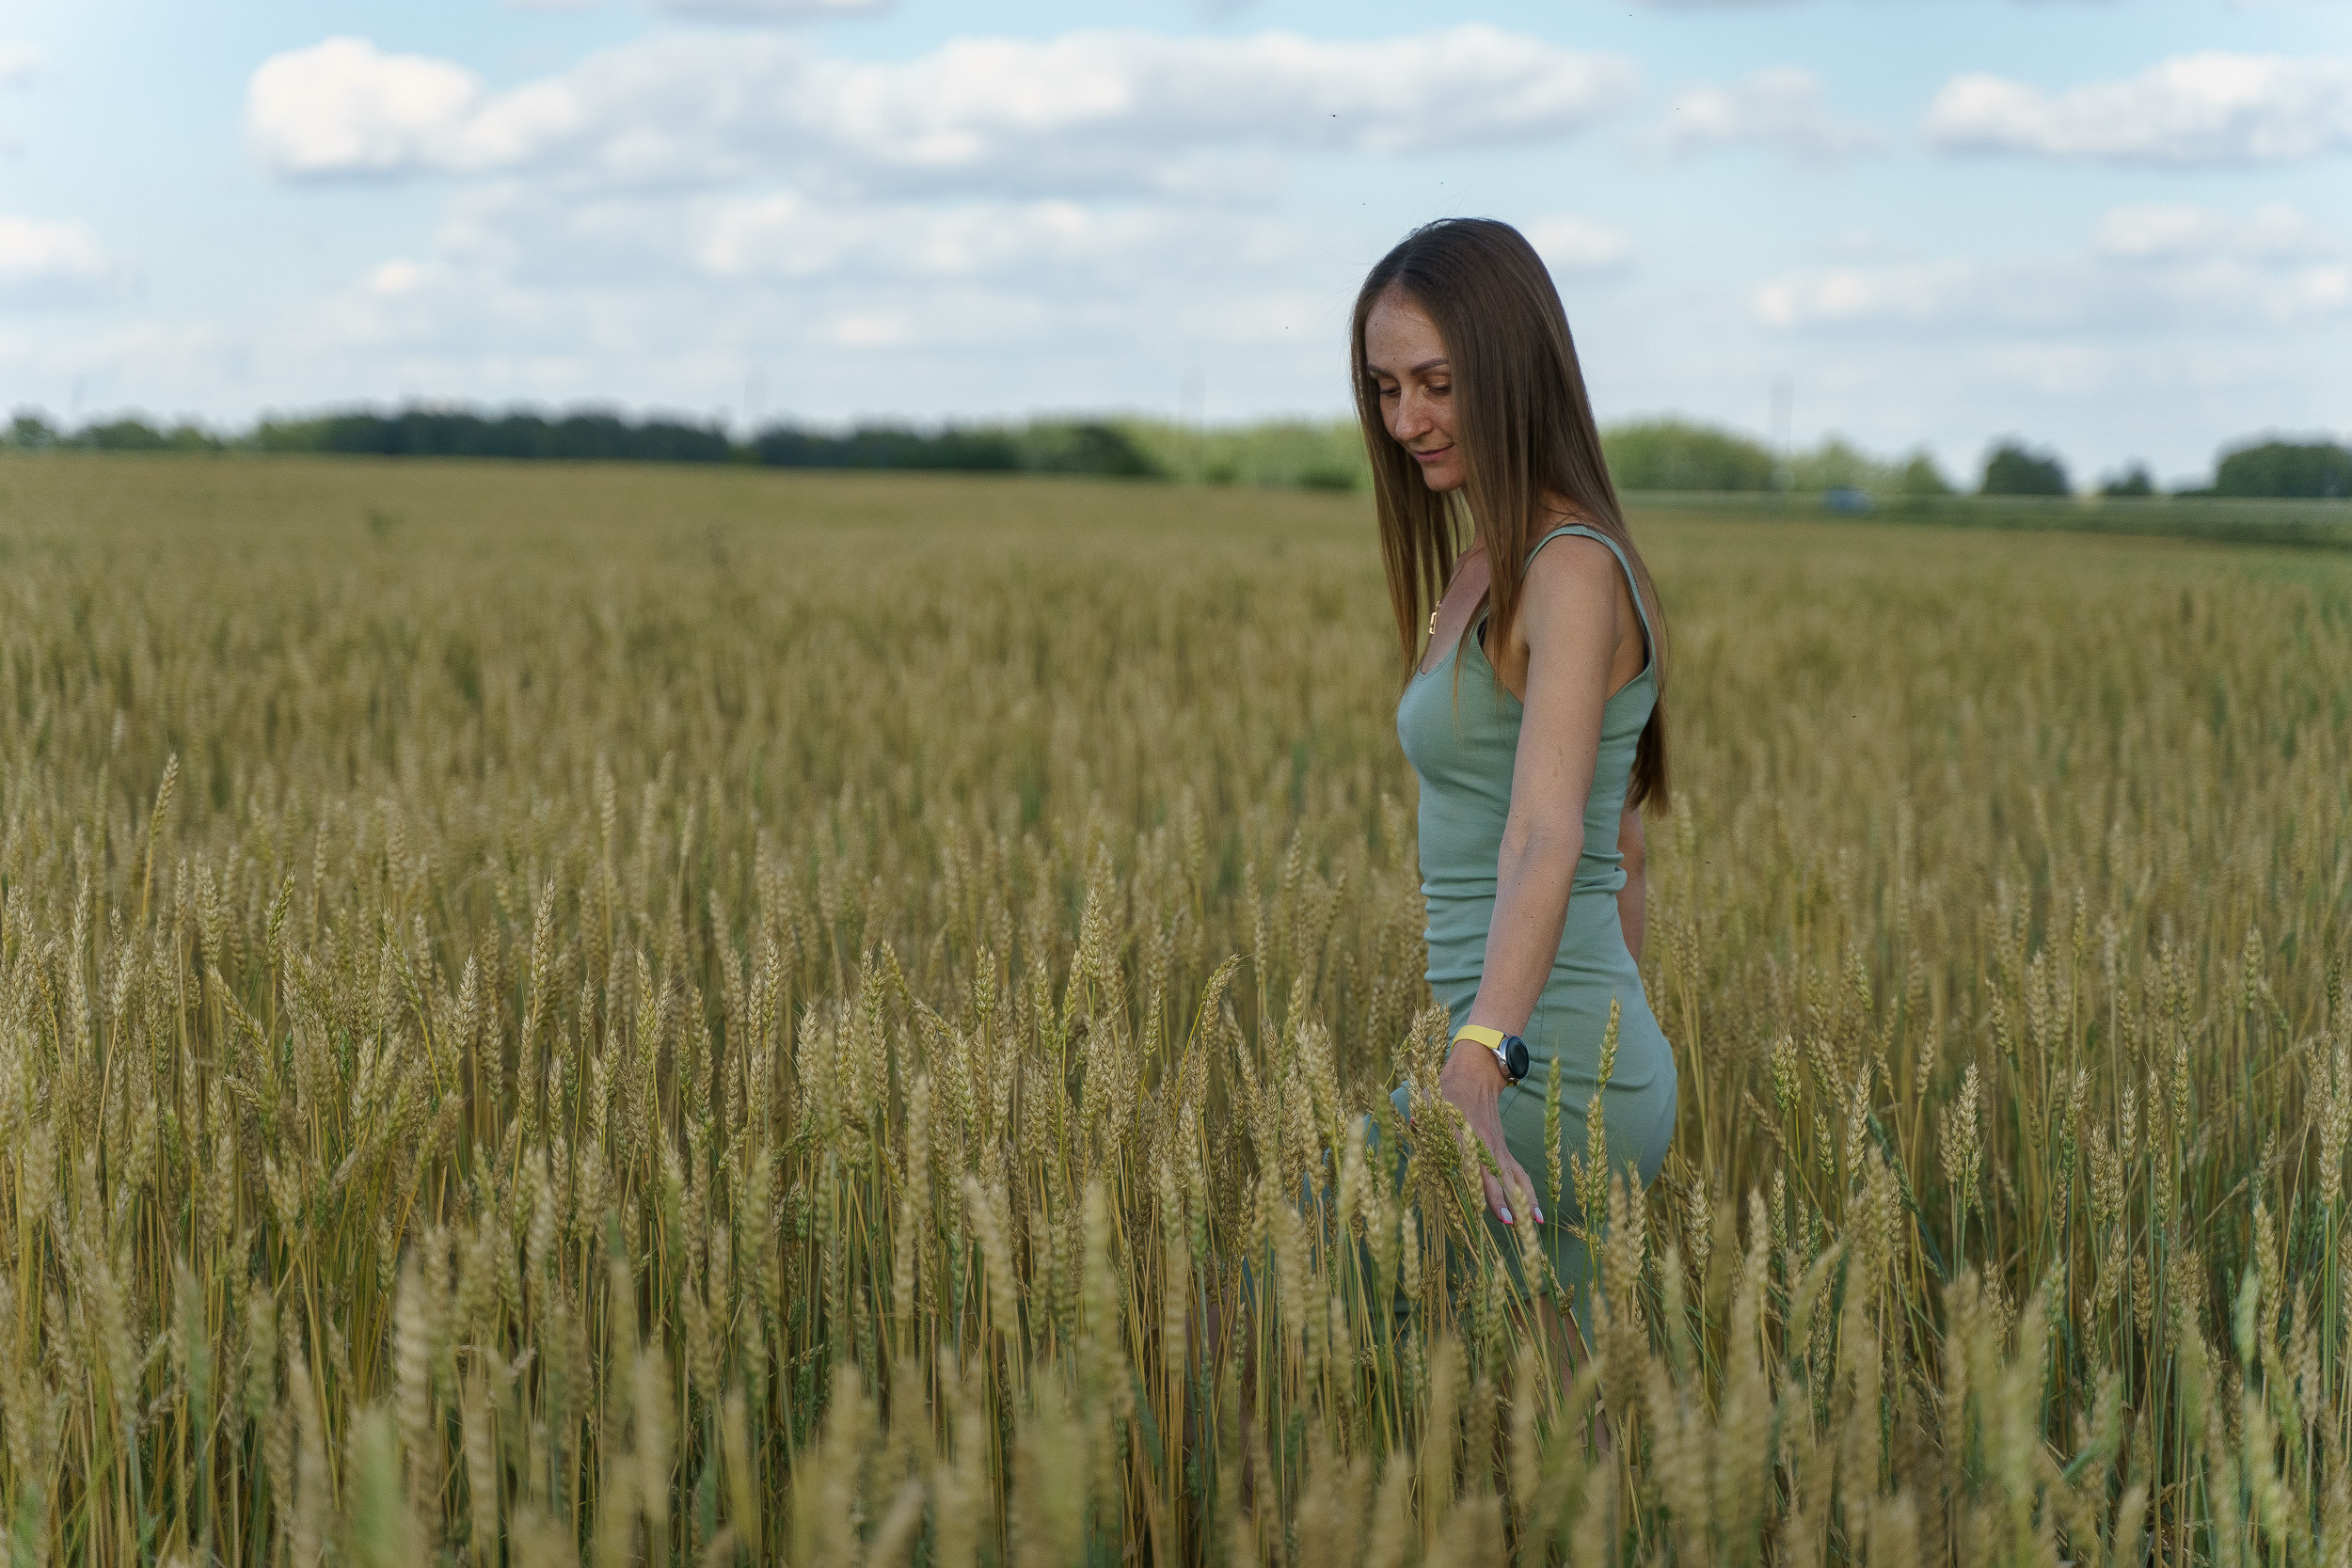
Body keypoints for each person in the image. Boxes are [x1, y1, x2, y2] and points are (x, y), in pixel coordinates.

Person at [1355, 217, 1677, 1326]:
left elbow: (1553, 836)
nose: (1406, 420)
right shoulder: (1480, 561)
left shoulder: (1571, 568)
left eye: (1437, 383)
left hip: (1524, 1068)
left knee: (1253, 1310)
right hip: (1553, 1058)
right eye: (1387, 387)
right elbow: (1625, 848)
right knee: (1546, 1425)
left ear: (1510, 365)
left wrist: (1486, 1058)